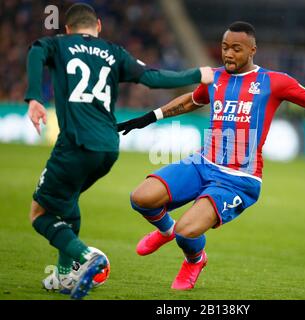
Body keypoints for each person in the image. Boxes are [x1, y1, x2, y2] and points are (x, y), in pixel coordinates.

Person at [117, 21, 305, 290]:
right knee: (141, 199)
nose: (228, 54)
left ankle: (195, 259)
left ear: (252, 50)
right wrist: (149, 117)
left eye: (236, 48)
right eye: (224, 47)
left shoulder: (275, 82)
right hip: (202, 162)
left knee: (186, 232)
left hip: (238, 178)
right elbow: (190, 101)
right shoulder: (214, 76)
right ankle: (164, 231)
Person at [25, 2, 213, 299]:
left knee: (40, 213)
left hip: (75, 145)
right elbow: (152, 77)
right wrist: (196, 73)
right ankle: (63, 276)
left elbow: (36, 50)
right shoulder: (114, 52)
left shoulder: (59, 44)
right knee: (68, 200)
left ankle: (85, 257)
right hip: (109, 147)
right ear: (98, 26)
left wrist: (34, 97)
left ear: (68, 29)